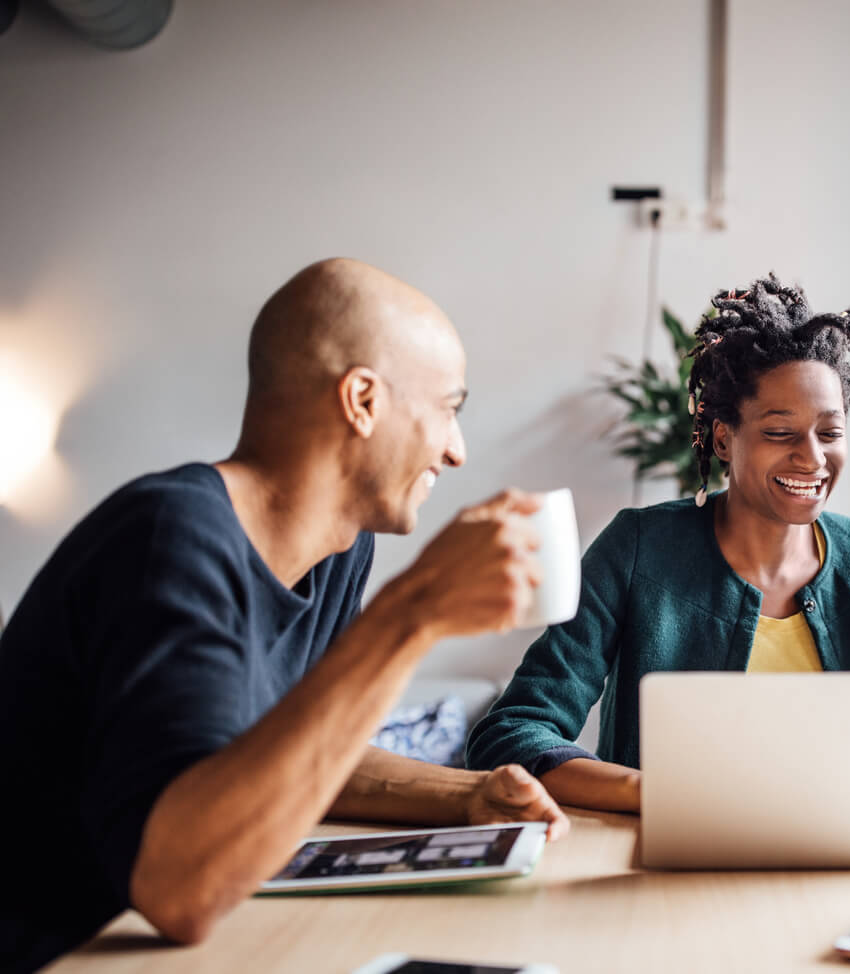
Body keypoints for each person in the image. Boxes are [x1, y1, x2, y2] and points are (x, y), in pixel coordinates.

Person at [0, 259, 569, 973]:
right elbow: (181, 891)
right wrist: (412, 612)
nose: (456, 451)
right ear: (362, 400)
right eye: (449, 408)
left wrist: (471, 796)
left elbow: (300, 751)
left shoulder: (339, 548)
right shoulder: (171, 539)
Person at [466, 273, 850, 812]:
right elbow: (511, 733)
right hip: (661, 861)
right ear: (723, 438)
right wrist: (653, 793)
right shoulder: (639, 549)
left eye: (830, 433)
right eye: (779, 432)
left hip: (829, 850)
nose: (813, 457)